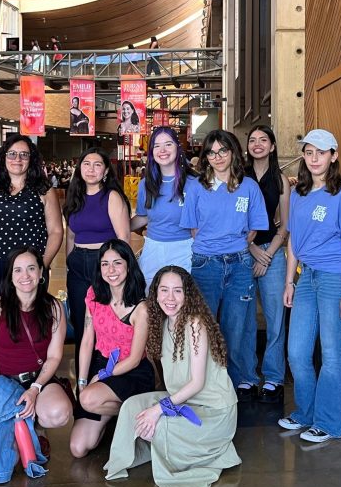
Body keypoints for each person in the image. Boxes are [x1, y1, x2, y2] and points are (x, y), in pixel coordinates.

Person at [104, 266, 240, 487]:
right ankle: (126, 459)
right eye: (164, 290)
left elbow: (196, 383)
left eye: (178, 291)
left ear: (188, 295)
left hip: (213, 411)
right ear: (155, 294)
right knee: (131, 407)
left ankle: (182, 449)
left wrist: (158, 410)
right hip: (184, 400)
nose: (170, 297)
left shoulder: (195, 324)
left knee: (160, 423)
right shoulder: (162, 323)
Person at [278, 130, 341, 443]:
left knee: (331, 354)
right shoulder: (298, 195)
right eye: (309, 152)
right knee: (297, 352)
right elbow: (293, 244)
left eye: (321, 152)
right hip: (307, 278)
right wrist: (290, 281)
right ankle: (306, 413)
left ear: (333, 156)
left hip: (335, 280)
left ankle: (328, 423)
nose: (314, 158)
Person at [180, 130, 267, 400]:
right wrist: (214, 246)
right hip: (205, 264)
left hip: (240, 263)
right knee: (203, 325)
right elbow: (193, 229)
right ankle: (206, 382)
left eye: (223, 151)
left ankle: (241, 379)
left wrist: (232, 244)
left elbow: (254, 229)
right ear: (205, 157)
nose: (218, 157)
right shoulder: (196, 187)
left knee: (237, 324)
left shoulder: (249, 186)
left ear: (233, 152)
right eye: (212, 152)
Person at [0, 247, 72, 462]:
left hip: (37, 380)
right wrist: (5, 391)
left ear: (41, 273)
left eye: (31, 268)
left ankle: (37, 425)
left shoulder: (54, 308)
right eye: (18, 270)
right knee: (1, 458)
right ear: (10, 277)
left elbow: (55, 357)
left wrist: (35, 389)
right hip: (0, 382)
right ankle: (20, 424)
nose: (25, 276)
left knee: (58, 413)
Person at [69, 239, 153, 458]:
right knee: (78, 448)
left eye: (117, 263)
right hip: (102, 363)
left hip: (131, 372)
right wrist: (81, 381)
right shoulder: (94, 296)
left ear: (128, 265)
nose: (111, 270)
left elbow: (135, 359)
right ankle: (118, 412)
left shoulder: (140, 308)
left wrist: (100, 377)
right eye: (105, 264)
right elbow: (87, 340)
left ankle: (134, 410)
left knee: (88, 399)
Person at [0, 136, 63, 309]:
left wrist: (42, 264)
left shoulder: (43, 190)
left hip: (27, 268)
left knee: (27, 318)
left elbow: (56, 232)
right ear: (4, 157)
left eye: (24, 154)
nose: (17, 159)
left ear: (32, 159)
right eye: (12, 154)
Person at [63, 147, 131, 373]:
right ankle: (84, 379)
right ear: (79, 169)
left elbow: (124, 238)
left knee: (103, 323)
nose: (91, 169)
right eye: (86, 164)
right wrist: (69, 261)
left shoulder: (111, 197)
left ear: (105, 172)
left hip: (102, 264)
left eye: (97, 164)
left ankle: (104, 374)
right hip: (77, 264)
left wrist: (120, 271)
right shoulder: (75, 197)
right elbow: (70, 235)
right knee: (81, 322)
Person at [244, 125, 291, 403]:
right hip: (243, 252)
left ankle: (273, 378)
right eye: (252, 140)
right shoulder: (238, 177)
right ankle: (246, 377)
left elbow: (285, 225)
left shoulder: (280, 179)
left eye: (263, 140)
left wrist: (268, 255)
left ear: (272, 146)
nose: (257, 144)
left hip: (272, 252)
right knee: (244, 320)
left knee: (275, 320)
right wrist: (251, 249)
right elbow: (233, 223)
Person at [132, 127, 195, 287]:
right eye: (157, 146)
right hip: (154, 249)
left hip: (185, 250)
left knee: (182, 303)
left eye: (168, 144)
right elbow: (144, 216)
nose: (163, 150)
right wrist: (117, 225)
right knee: (151, 301)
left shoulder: (194, 183)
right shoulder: (145, 184)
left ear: (177, 148)